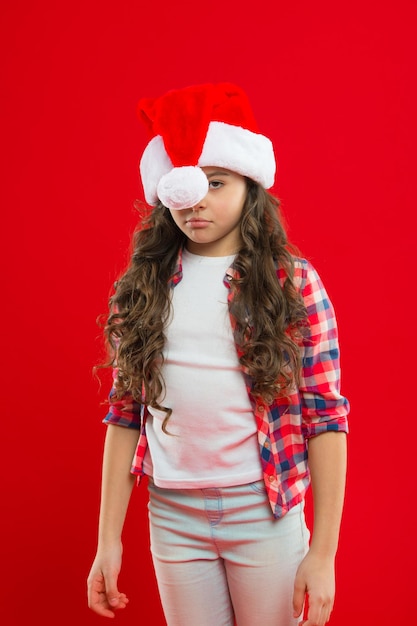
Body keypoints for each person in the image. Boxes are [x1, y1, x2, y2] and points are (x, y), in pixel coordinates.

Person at [87, 82, 349, 626]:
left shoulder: (292, 284)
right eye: (183, 186)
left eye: (216, 182)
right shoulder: (143, 288)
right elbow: (125, 411)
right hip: (174, 518)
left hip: (265, 513)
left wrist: (322, 554)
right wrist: (107, 540)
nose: (197, 200)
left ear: (249, 185)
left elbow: (325, 417)